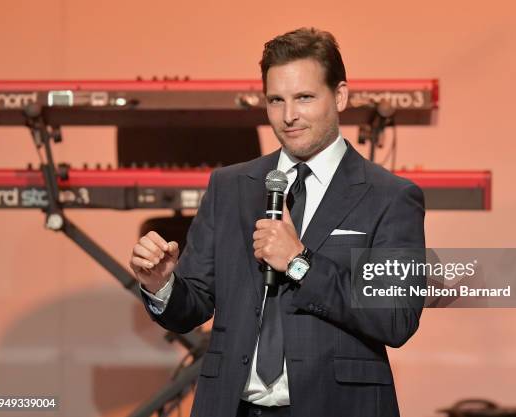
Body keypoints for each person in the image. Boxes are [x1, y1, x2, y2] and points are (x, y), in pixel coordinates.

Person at [130, 27, 425, 417]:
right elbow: (192, 308)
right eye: (276, 100)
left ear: (339, 95)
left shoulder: (389, 196)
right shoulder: (230, 186)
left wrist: (300, 263)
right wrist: (163, 283)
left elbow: (395, 318)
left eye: (304, 97)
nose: (289, 116)